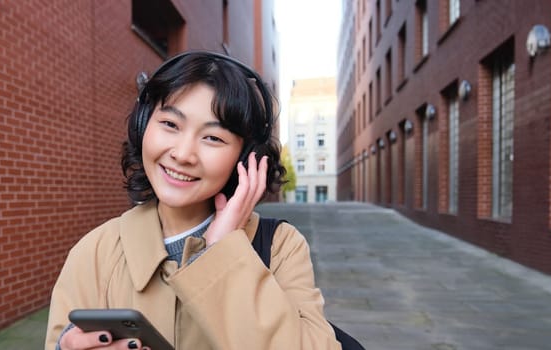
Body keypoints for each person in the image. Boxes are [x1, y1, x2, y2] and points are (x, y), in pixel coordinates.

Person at [45, 51, 340, 350]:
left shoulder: (281, 247)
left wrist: (224, 253)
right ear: (143, 125)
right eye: (170, 124)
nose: (183, 154)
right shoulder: (95, 252)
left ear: (246, 158)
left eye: (213, 138)